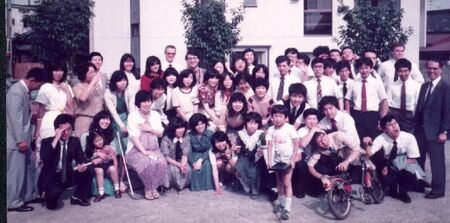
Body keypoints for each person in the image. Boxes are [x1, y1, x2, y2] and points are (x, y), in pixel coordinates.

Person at [7, 67, 45, 212]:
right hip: (16, 141)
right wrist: (20, 140)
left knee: (29, 169)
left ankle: (29, 195)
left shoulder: (23, 91)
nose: (38, 88)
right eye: (38, 85)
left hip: (25, 139)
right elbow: (15, 119)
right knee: (16, 172)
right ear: (32, 80)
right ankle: (13, 202)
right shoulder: (16, 92)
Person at [365, 115, 426, 203]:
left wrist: (398, 166)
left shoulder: (409, 137)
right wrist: (367, 143)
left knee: (412, 171)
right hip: (387, 163)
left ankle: (403, 192)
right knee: (386, 180)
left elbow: (412, 159)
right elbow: (369, 153)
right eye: (390, 125)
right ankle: (392, 185)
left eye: (395, 123)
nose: (394, 126)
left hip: (405, 162)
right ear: (384, 130)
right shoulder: (381, 138)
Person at [38, 114, 93, 210]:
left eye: (69, 129)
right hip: (51, 177)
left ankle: (77, 197)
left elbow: (81, 158)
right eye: (63, 130)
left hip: (67, 174)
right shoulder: (47, 141)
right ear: (56, 130)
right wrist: (56, 138)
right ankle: (48, 194)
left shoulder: (74, 141)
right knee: (53, 201)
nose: (66, 133)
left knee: (89, 169)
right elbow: (45, 158)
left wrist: (82, 165)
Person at [414, 59, 450, 199]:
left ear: (440, 69)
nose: (431, 71)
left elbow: (448, 112)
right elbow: (420, 108)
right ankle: (420, 184)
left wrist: (444, 131)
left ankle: (438, 190)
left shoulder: (445, 87)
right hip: (421, 130)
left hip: (436, 132)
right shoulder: (424, 86)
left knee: (437, 162)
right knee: (418, 160)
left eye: (435, 68)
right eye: (429, 68)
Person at [126, 90, 168, 200]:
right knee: (146, 162)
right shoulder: (132, 116)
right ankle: (148, 188)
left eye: (149, 101)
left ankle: (154, 187)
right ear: (138, 103)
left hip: (154, 149)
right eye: (144, 101)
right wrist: (144, 152)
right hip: (136, 150)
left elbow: (160, 133)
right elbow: (134, 137)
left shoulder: (155, 115)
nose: (147, 104)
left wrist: (149, 129)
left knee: (161, 162)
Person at [267, 105, 299, 220]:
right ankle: (281, 203)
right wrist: (270, 161)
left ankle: (287, 208)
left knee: (286, 183)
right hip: (276, 160)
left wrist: (293, 159)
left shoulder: (290, 128)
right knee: (279, 182)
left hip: (287, 159)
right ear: (272, 117)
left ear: (285, 117)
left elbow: (296, 143)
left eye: (280, 116)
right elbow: (270, 145)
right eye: (275, 116)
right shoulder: (271, 129)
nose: (278, 119)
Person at [345, 57, 388, 142]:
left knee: (373, 140)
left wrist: (383, 118)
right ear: (358, 69)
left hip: (372, 116)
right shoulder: (353, 83)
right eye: (361, 68)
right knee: (358, 140)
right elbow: (347, 99)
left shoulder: (377, 83)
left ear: (371, 68)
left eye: (366, 68)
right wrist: (348, 116)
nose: (364, 71)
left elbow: (384, 101)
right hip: (357, 115)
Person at [35, 61, 74, 140]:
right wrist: (38, 130)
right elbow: (40, 111)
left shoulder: (67, 86)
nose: (58, 73)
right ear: (51, 71)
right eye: (56, 70)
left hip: (64, 119)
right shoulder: (45, 87)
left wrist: (66, 90)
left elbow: (71, 107)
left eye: (61, 70)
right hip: (49, 120)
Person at [235, 112, 266, 195]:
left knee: (255, 172)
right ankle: (244, 184)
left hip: (256, 158)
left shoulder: (261, 134)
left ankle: (254, 186)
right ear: (245, 123)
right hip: (244, 157)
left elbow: (265, 147)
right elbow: (238, 148)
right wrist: (235, 149)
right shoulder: (241, 134)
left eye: (255, 123)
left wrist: (261, 150)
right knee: (238, 170)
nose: (252, 126)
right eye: (250, 123)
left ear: (259, 125)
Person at [386, 58, 421, 133]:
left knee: (408, 137)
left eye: (405, 71)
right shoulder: (392, 86)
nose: (403, 74)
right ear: (397, 71)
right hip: (394, 115)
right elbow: (388, 103)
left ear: (410, 71)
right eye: (400, 71)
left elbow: (417, 104)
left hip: (409, 116)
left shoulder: (417, 86)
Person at [85, 131, 121, 202]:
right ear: (92, 142)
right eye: (96, 141)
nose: (99, 142)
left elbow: (114, 158)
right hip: (97, 168)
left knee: (112, 168)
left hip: (107, 166)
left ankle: (117, 189)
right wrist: (97, 154)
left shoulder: (107, 147)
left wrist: (116, 169)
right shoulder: (91, 150)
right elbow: (90, 160)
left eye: (100, 139)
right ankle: (101, 193)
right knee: (99, 170)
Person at [104, 70, 135, 151]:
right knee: (118, 137)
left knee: (130, 137)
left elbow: (132, 109)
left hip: (127, 116)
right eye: (119, 81)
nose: (123, 82)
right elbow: (113, 113)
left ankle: (128, 156)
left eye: (124, 80)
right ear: (114, 82)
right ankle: (119, 158)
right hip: (114, 119)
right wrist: (122, 126)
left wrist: (132, 122)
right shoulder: (108, 94)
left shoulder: (129, 90)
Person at [73, 62, 104, 137]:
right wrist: (93, 82)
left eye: (94, 72)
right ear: (83, 73)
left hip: (98, 121)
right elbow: (83, 98)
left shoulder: (97, 86)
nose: (93, 74)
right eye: (90, 72)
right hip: (84, 120)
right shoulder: (77, 87)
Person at [160, 117, 192, 191]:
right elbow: (166, 157)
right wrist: (179, 165)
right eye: (178, 128)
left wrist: (183, 165)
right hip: (170, 161)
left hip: (181, 160)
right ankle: (169, 185)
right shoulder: (166, 139)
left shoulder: (186, 138)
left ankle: (183, 185)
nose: (181, 130)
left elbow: (185, 154)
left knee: (187, 169)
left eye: (182, 127)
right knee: (173, 170)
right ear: (173, 129)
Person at [188, 113, 215, 191]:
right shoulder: (189, 135)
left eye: (202, 124)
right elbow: (188, 151)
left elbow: (210, 149)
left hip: (207, 155)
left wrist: (201, 160)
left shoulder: (210, 133)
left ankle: (207, 186)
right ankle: (196, 187)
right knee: (194, 167)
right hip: (194, 155)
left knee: (206, 164)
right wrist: (193, 162)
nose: (200, 127)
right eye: (197, 125)